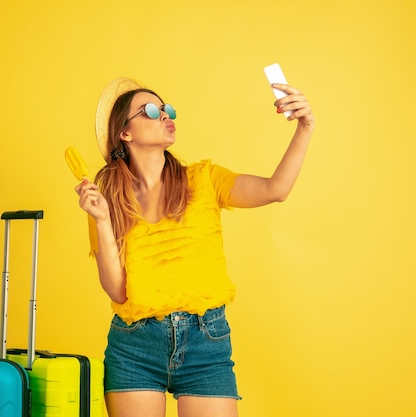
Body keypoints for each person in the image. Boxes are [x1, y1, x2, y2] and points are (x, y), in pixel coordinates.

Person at [74, 78, 315, 417]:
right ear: (124, 133)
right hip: (135, 346)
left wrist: (305, 127)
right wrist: (100, 219)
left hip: (206, 342)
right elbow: (117, 290)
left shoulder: (204, 180)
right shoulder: (107, 199)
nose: (165, 115)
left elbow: (276, 189)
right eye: (152, 111)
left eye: (167, 109)